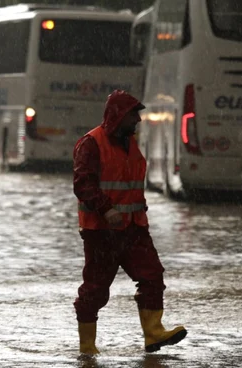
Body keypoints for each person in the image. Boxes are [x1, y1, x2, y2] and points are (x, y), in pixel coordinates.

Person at [72, 90, 187, 355]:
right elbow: (83, 184)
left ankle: (153, 333)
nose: (138, 119)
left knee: (152, 276)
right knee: (95, 291)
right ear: (118, 116)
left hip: (134, 228)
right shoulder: (91, 143)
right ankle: (87, 349)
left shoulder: (129, 142)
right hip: (101, 232)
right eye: (133, 114)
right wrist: (106, 209)